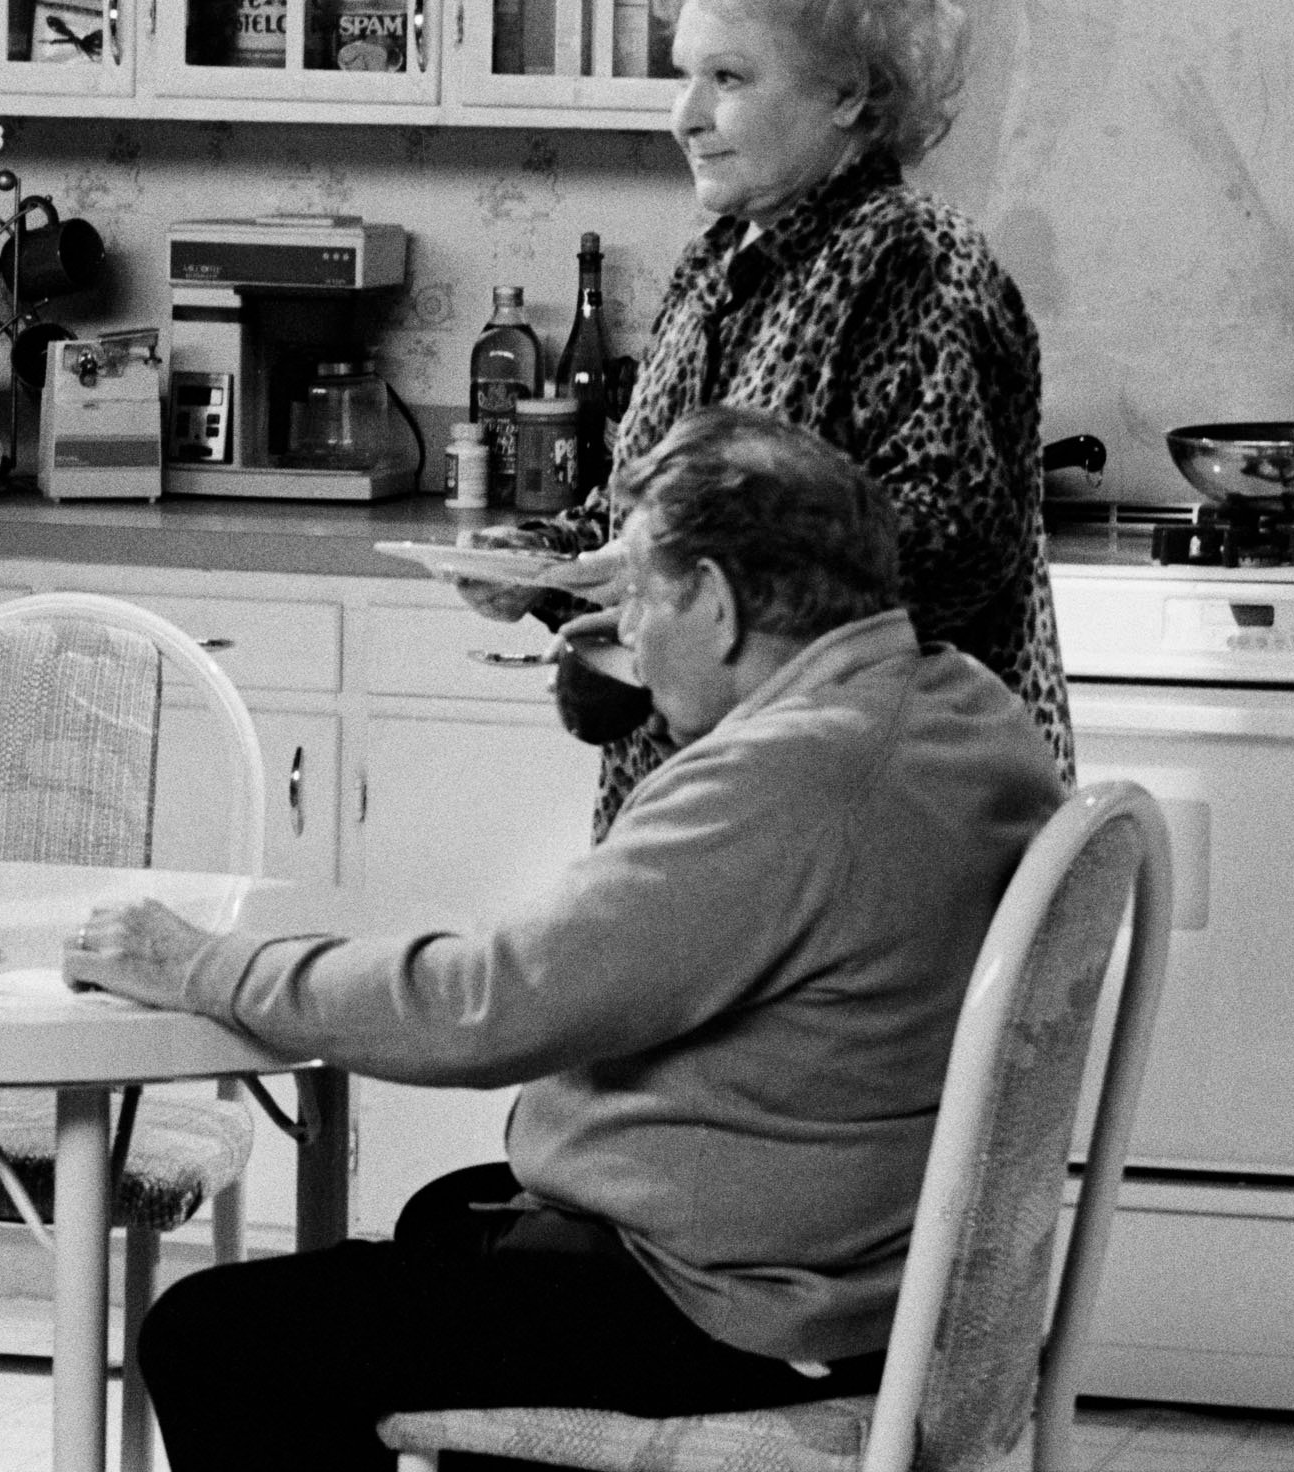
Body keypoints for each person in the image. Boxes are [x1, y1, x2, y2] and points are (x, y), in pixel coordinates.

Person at [64, 407, 1064, 1472]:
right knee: (446, 1221)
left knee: (219, 1338)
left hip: (748, 1310)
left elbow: (484, 1007)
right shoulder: (961, 708)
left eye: (636, 593)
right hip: (875, 1272)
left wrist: (205, 965)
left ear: (717, 603)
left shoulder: (786, 781)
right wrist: (672, 667)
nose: (621, 628)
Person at [477, 0, 1070, 837]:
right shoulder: (717, 260)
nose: (687, 114)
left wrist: (683, 582)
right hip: (712, 816)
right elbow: (648, 505)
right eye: (685, 74)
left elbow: (948, 554)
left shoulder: (914, 262)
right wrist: (540, 563)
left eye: (732, 78)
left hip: (860, 824)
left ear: (851, 93)